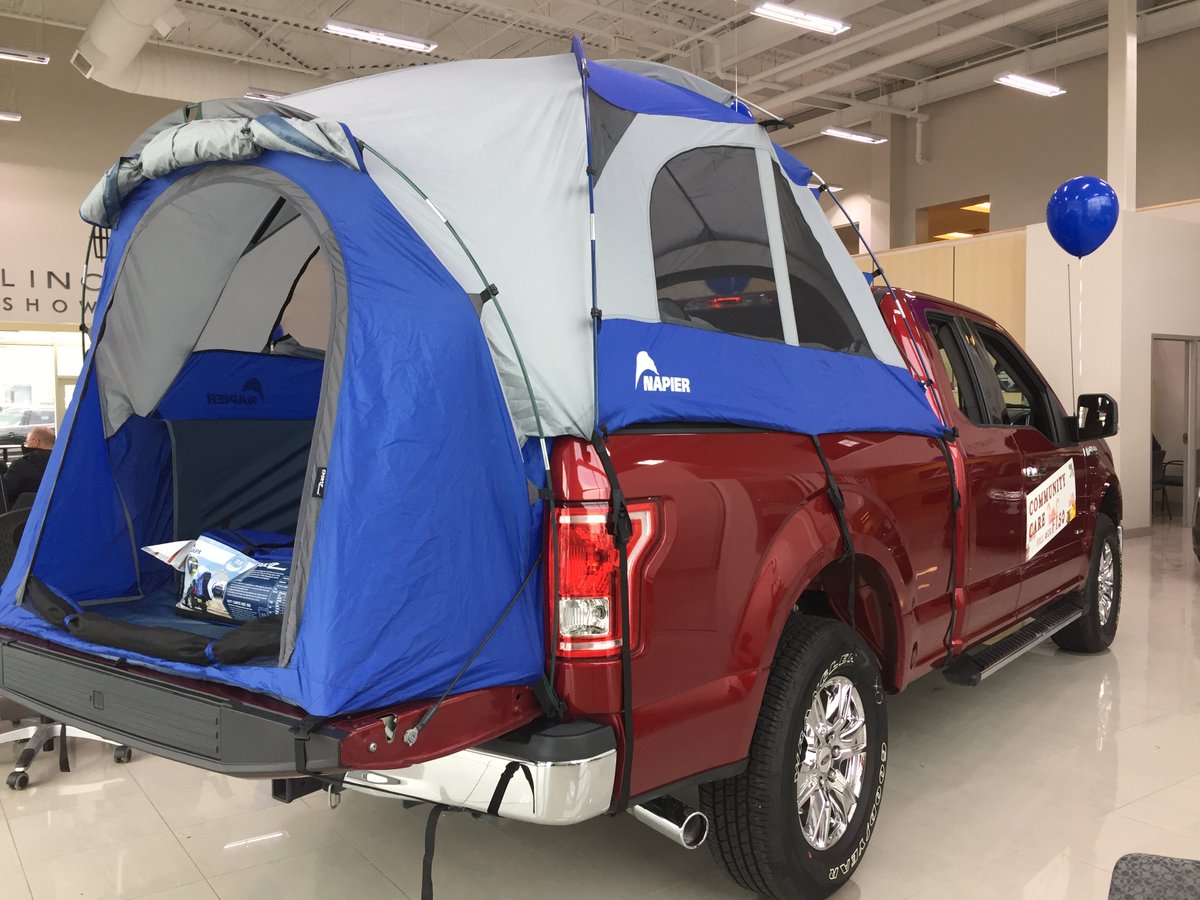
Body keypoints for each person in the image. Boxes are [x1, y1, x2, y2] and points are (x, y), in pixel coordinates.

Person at [2, 427, 54, 511]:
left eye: (27, 442)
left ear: (35, 442)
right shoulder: (62, 462)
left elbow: (5, 493)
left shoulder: (23, 465)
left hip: (24, 518)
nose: (26, 445)